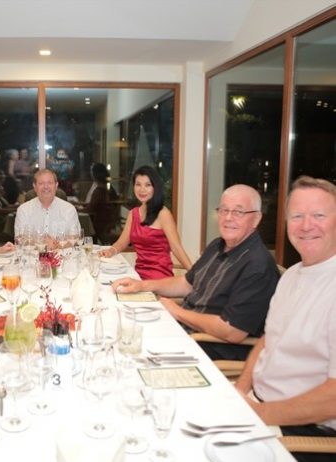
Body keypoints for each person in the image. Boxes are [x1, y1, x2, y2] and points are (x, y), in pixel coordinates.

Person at [112, 184, 280, 360]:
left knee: (128, 350)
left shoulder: (258, 266)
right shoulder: (217, 245)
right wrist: (142, 285)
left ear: (256, 219)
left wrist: (177, 312)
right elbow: (186, 283)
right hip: (183, 330)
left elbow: (232, 331)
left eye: (238, 212)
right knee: (120, 328)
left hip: (205, 347)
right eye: (224, 210)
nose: (228, 218)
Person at [235, 176, 336, 462]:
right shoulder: (291, 275)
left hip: (304, 433)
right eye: (297, 216)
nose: (306, 225)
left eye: (319, 215)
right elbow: (268, 339)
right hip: (261, 407)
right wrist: (240, 391)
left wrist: (260, 414)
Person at [100, 165, 192, 277]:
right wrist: (111, 251)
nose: (142, 189)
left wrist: (196, 274)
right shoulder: (133, 214)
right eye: (138, 184)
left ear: (155, 187)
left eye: (147, 185)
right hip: (138, 275)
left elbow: (177, 248)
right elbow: (122, 242)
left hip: (160, 277)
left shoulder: (163, 214)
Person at [15, 169, 80, 244]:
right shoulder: (23, 210)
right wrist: (45, 243)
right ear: (34, 186)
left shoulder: (69, 209)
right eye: (41, 183)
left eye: (50, 183)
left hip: (63, 252)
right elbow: (19, 239)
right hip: (32, 252)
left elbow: (75, 239)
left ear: (56, 186)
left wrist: (55, 245)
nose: (46, 187)